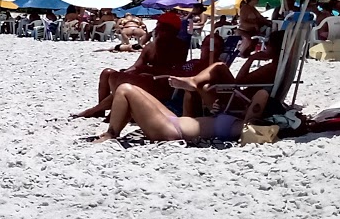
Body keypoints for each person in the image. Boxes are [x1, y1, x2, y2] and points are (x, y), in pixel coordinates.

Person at [73, 13, 190, 118]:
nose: (159, 30)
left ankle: (101, 111)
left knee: (124, 80)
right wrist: (125, 72)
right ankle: (100, 110)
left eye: (163, 28)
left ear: (173, 31)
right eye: (159, 26)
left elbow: (174, 71)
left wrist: (146, 70)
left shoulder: (179, 46)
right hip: (147, 79)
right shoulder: (151, 46)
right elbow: (137, 66)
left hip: (162, 85)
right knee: (108, 73)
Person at [86, 82, 266, 144]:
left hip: (171, 131)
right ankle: (112, 130)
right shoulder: (238, 120)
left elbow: (262, 95)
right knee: (133, 89)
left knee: (125, 89)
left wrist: (253, 112)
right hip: (175, 121)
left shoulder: (246, 126)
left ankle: (111, 134)